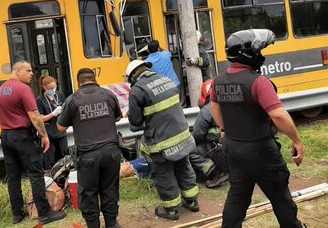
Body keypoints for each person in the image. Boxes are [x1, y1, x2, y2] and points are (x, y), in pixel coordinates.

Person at [211, 29, 305, 228]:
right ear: (249, 53)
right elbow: (278, 114)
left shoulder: (218, 81)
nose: (262, 54)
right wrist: (296, 140)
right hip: (260, 149)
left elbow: (216, 108)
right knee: (280, 196)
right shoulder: (258, 82)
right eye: (260, 50)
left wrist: (224, 130)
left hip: (233, 147)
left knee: (238, 196)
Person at [126, 60, 199, 221]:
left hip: (162, 141)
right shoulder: (166, 79)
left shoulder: (138, 90)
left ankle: (171, 210)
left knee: (164, 173)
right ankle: (192, 201)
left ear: (132, 77)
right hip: (182, 135)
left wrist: (134, 117)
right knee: (184, 166)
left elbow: (135, 123)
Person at [0, 61, 66, 225]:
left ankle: (17, 214)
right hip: (22, 137)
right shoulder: (23, 89)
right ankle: (45, 213)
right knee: (36, 174)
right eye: (27, 70)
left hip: (6, 136)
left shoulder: (1, 90)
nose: (31, 73)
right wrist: (44, 135)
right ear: (17, 71)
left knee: (13, 177)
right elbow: (34, 116)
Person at [57, 68, 122, 228]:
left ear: (78, 82)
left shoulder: (72, 100)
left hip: (87, 156)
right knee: (110, 190)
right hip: (111, 153)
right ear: (94, 78)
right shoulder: (108, 95)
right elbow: (118, 117)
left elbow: (60, 128)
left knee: (88, 193)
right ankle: (112, 224)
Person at [189, 82, 229, 188]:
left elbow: (197, 136)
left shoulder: (206, 111)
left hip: (217, 148)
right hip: (233, 145)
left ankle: (216, 172)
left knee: (189, 152)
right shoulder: (230, 104)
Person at [36, 75, 68, 171]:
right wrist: (53, 114)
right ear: (44, 87)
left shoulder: (60, 95)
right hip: (48, 133)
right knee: (49, 159)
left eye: (54, 87)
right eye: (50, 88)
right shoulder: (40, 100)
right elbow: (40, 119)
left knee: (63, 156)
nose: (53, 90)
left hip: (60, 132)